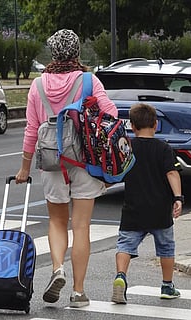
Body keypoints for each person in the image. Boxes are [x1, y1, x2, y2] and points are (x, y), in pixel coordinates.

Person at [15, 29, 118, 308]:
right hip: (84, 160)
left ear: (52, 53)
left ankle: (57, 268)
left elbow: (31, 130)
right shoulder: (89, 80)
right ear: (76, 52)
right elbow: (111, 114)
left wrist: (24, 169)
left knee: (57, 221)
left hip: (51, 162)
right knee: (81, 226)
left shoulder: (37, 86)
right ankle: (78, 292)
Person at [111, 103, 183, 304]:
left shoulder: (128, 147)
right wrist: (178, 197)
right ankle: (167, 286)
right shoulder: (164, 148)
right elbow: (172, 172)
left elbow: (116, 173)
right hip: (160, 209)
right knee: (166, 248)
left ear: (132, 126)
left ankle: (120, 277)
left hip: (133, 207)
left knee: (125, 245)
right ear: (156, 124)